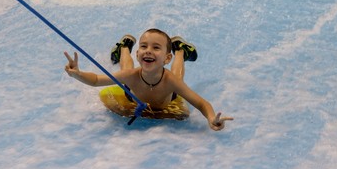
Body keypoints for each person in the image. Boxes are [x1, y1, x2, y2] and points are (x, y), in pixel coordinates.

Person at [64, 28, 233, 131]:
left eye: (156, 47)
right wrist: (77, 73)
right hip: (132, 96)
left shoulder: (170, 80)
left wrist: (211, 118)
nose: (148, 51)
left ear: (167, 59)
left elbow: (201, 103)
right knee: (125, 71)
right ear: (137, 54)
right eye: (143, 46)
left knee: (178, 78)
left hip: (168, 99)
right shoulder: (132, 76)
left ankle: (179, 50)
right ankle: (124, 47)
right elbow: (95, 80)